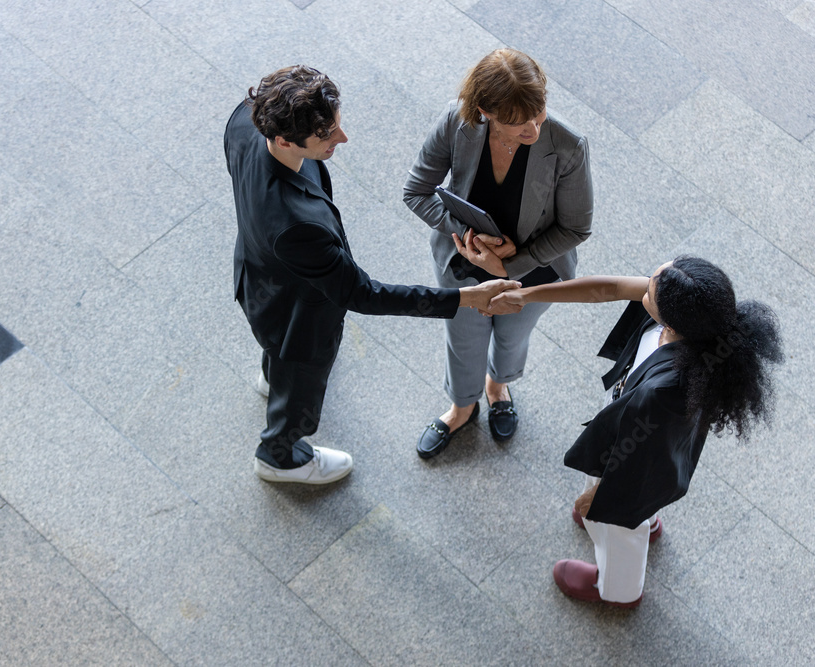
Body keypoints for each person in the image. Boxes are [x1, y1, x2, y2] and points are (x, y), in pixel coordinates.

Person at [225, 65, 519, 485]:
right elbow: (362, 293)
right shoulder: (297, 225)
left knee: (280, 360)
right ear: (285, 140)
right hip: (301, 318)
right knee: (302, 389)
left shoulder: (245, 119)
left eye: (337, 125)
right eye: (327, 137)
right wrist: (468, 298)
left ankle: (275, 376)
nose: (342, 139)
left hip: (259, 279)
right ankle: (279, 455)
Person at [487, 256, 784, 606]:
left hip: (634, 451)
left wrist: (603, 499)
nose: (646, 284)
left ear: (671, 322)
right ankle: (645, 517)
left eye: (651, 291)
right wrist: (528, 295)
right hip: (645, 434)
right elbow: (608, 287)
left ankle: (619, 590)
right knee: (629, 504)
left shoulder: (665, 392)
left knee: (618, 528)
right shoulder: (692, 321)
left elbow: (637, 459)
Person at [403, 48, 593, 459]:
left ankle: (498, 385)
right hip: (463, 264)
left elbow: (576, 227)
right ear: (486, 110)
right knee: (463, 338)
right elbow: (415, 191)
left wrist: (508, 265)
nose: (533, 130)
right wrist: (472, 239)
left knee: (512, 336)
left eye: (539, 113)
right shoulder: (458, 122)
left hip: (536, 273)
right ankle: (462, 406)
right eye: (517, 123)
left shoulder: (568, 146)